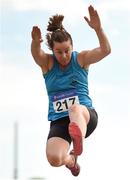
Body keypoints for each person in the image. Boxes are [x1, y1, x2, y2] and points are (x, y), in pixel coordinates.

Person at [31, 5, 111, 176]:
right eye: (59, 52)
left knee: (74, 108)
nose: (64, 56)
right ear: (52, 50)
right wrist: (34, 43)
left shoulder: (81, 59)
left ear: (72, 46)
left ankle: (78, 139)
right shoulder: (48, 64)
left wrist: (98, 29)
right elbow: (37, 54)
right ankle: (71, 160)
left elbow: (106, 50)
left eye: (67, 50)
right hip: (60, 121)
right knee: (54, 158)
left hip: (85, 116)